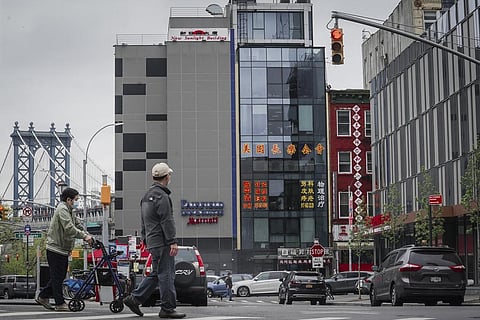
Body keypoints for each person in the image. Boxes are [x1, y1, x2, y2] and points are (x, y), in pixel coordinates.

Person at [123, 162, 185, 319]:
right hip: (163, 242)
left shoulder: (146, 196)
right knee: (167, 275)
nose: (170, 177)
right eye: (169, 175)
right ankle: (167, 308)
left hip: (152, 241)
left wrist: (144, 238)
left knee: (157, 273)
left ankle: (135, 298)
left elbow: (143, 220)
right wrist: (172, 241)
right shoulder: (162, 197)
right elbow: (167, 221)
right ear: (167, 177)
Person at [36, 187, 94, 312]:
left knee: (59, 276)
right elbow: (69, 228)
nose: (77, 202)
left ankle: (43, 296)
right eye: (76, 199)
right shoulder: (62, 209)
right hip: (55, 248)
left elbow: (77, 224)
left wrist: (88, 234)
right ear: (69, 199)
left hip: (62, 249)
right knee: (57, 277)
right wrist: (84, 236)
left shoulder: (69, 210)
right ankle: (59, 303)